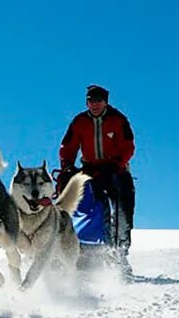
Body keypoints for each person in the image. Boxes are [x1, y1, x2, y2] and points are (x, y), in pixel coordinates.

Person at [58, 84, 136, 272]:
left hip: (116, 170)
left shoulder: (118, 120)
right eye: (91, 101)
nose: (94, 104)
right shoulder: (80, 122)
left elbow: (128, 146)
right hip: (91, 171)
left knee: (121, 210)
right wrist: (67, 166)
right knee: (93, 210)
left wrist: (115, 164)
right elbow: (68, 146)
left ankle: (119, 255)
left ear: (105, 102)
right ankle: (84, 253)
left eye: (98, 101)